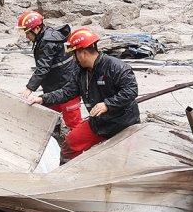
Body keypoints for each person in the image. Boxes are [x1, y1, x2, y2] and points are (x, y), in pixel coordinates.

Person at [26, 28, 140, 160]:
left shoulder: (116, 67)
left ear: (83, 53)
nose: (73, 59)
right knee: (69, 145)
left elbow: (131, 90)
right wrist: (42, 99)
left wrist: (107, 105)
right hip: (98, 122)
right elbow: (66, 92)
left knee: (122, 158)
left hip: (123, 123)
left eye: (74, 54)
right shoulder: (80, 72)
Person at [17, 11, 81, 130]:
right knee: (50, 113)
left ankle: (80, 144)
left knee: (73, 122)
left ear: (36, 29)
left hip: (66, 86)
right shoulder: (49, 35)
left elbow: (43, 67)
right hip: (57, 83)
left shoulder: (47, 41)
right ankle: (56, 133)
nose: (26, 36)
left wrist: (29, 88)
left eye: (27, 32)